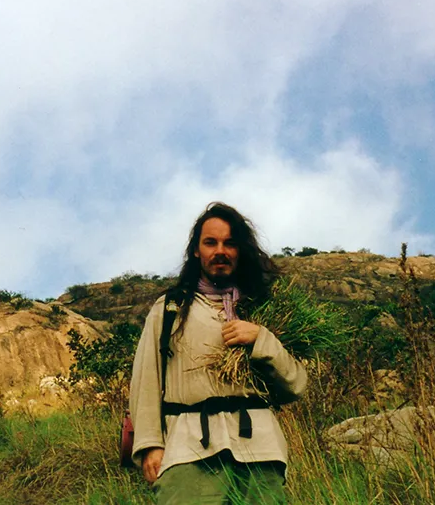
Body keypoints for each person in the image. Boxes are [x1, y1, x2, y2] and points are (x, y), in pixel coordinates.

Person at [129, 202, 308, 504]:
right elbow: (146, 380)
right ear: (197, 251)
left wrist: (261, 339)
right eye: (210, 242)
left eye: (230, 243)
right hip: (188, 451)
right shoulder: (170, 308)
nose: (220, 251)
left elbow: (296, 385)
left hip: (259, 452)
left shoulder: (265, 308)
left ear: (241, 251)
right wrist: (150, 446)